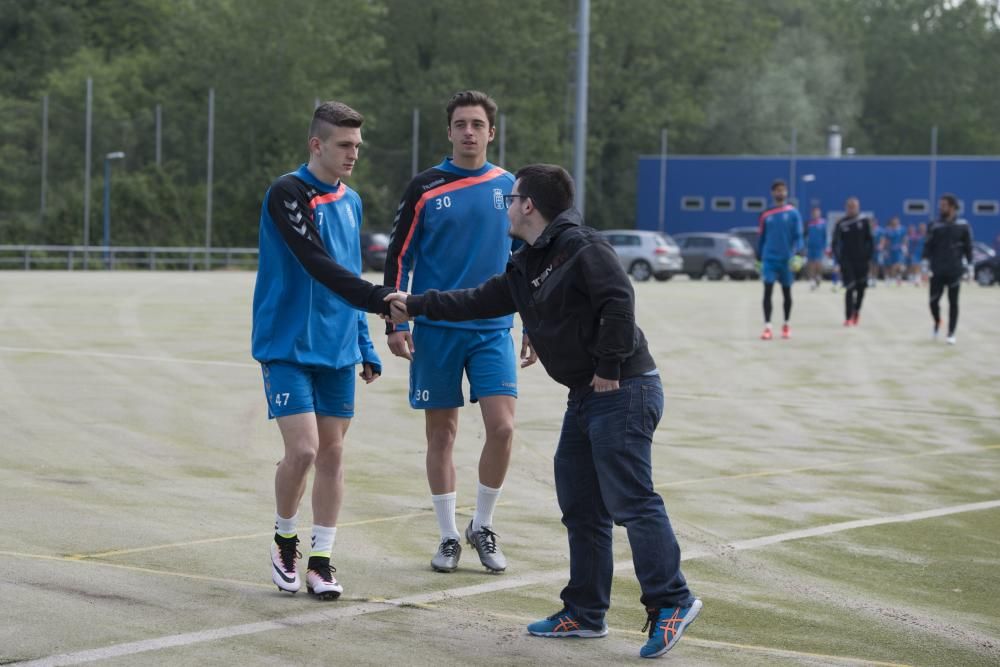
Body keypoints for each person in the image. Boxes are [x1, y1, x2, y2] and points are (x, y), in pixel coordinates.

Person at [384, 164, 701, 660]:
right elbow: (476, 300)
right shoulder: (525, 261)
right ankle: (585, 611)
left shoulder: (580, 245)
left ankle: (673, 601)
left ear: (528, 205)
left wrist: (609, 366)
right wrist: (415, 305)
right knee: (580, 505)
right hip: (587, 396)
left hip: (624, 389)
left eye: (512, 199)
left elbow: (619, 298)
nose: (506, 207)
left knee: (632, 502)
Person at [252, 101, 396, 600]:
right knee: (304, 449)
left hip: (337, 349)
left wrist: (363, 342)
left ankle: (321, 560)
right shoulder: (287, 192)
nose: (353, 154)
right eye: (343, 145)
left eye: (357, 145)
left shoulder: (351, 201)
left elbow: (349, 269)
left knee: (333, 454)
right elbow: (316, 262)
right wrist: (379, 301)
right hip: (286, 346)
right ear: (317, 145)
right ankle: (284, 539)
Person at [382, 91, 522, 574]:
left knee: (503, 428)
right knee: (442, 434)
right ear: (449, 132)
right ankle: (446, 536)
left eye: (477, 124)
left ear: (491, 132)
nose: (468, 132)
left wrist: (538, 324)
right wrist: (395, 322)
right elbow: (398, 257)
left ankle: (482, 525)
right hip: (436, 329)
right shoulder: (425, 187)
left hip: (492, 329)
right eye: (460, 124)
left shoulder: (510, 187)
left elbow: (526, 262)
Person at [923, 193, 973, 344]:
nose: (940, 207)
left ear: (952, 207)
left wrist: (970, 267)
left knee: (953, 302)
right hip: (937, 270)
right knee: (933, 302)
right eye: (940, 205)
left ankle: (951, 333)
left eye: (944, 205)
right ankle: (937, 321)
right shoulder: (934, 225)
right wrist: (925, 265)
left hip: (954, 270)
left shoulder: (963, 225)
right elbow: (928, 246)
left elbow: (968, 248)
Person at [757, 179, 802, 340]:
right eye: (777, 190)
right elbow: (761, 238)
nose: (780, 193)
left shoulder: (793, 213)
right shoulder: (765, 214)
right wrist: (758, 258)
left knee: (787, 293)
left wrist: (798, 255)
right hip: (769, 259)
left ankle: (786, 325)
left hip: (786, 260)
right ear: (772, 193)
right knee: (767, 291)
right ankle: (768, 327)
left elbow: (798, 237)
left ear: (786, 192)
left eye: (783, 190)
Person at [832, 197, 874, 327]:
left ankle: (857, 310)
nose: (852, 209)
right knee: (849, 288)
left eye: (854, 206)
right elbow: (835, 243)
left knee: (861, 289)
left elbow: (870, 241)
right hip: (847, 261)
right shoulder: (841, 224)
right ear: (846, 207)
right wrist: (839, 260)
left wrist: (868, 257)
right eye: (850, 206)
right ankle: (848, 317)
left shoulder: (865, 221)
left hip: (862, 262)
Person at [804, 206, 828, 290]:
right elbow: (805, 235)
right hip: (810, 247)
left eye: (817, 213)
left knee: (818, 263)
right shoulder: (809, 224)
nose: (815, 214)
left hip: (819, 247)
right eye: (814, 213)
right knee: (811, 264)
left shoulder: (823, 223)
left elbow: (825, 236)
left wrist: (826, 247)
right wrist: (805, 246)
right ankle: (812, 280)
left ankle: (818, 276)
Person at [884, 216, 907, 285]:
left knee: (898, 265)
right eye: (894, 221)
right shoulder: (888, 230)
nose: (895, 222)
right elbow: (887, 241)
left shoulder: (902, 229)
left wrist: (905, 247)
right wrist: (886, 250)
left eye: (896, 221)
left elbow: (904, 239)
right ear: (892, 222)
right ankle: (892, 278)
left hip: (899, 250)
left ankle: (897, 277)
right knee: (891, 265)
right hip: (891, 250)